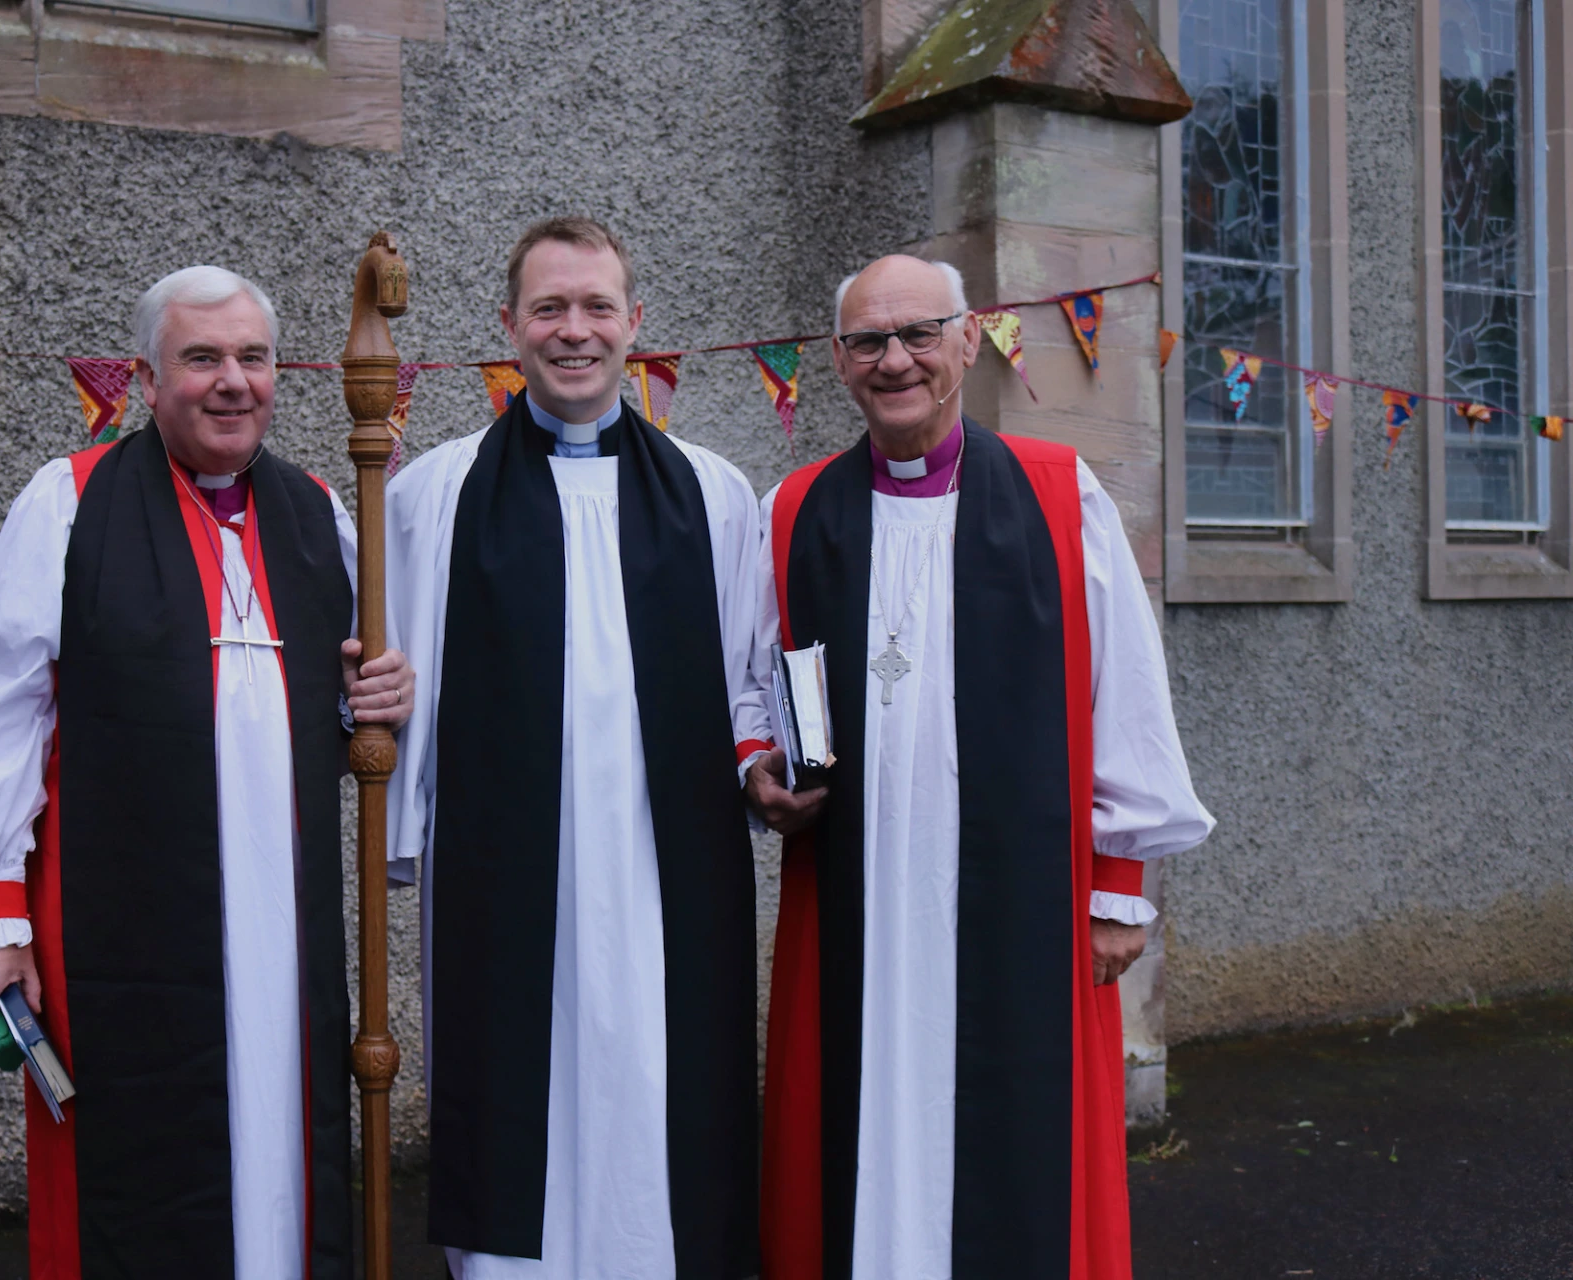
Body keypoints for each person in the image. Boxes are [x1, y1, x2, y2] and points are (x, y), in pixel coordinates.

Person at [0, 265, 414, 1280]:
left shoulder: (321, 514)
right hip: (124, 935)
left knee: (287, 1148)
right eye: (202, 359)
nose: (232, 381)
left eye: (253, 358)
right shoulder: (69, 506)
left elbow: (330, 711)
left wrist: (375, 698)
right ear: (148, 380)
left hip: (287, 936)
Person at [748, 255, 1215, 1280]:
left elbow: (1125, 691)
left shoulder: (1058, 493)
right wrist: (758, 769)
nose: (896, 359)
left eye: (921, 333)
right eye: (869, 341)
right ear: (837, 361)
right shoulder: (792, 509)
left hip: (1021, 906)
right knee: (857, 1127)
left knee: (1018, 1147)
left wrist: (1121, 887)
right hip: (855, 905)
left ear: (969, 340)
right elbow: (755, 679)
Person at [385, 217, 767, 1279]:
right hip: (505, 880)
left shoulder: (713, 493)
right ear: (508, 326)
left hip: (664, 872)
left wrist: (760, 763)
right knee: (521, 1091)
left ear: (636, 324)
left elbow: (750, 680)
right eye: (549, 307)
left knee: (661, 1087)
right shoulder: (435, 494)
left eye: (598, 306)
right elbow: (391, 689)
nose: (575, 329)